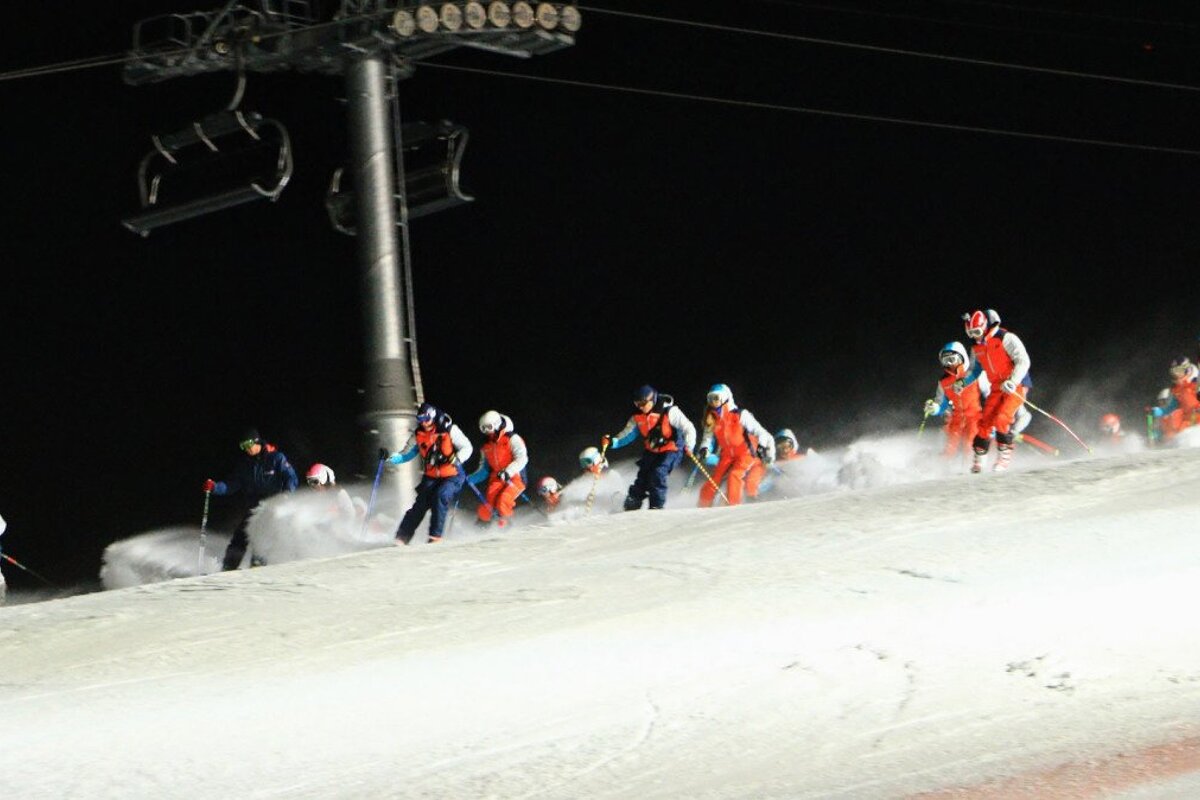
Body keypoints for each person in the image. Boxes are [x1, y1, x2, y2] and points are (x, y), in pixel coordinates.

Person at [204, 428, 299, 570]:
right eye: (243, 446)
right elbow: (232, 484)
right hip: (254, 507)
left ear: (257, 441)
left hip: (273, 506)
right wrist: (215, 487)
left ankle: (258, 564)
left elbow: (291, 477)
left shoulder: (276, 458)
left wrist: (286, 493)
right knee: (241, 535)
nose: (246, 449)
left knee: (262, 533)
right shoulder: (245, 465)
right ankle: (229, 566)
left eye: (248, 444)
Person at [387, 401, 473, 544]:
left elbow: (467, 447)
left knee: (441, 495)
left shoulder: (449, 429)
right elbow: (407, 454)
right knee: (420, 504)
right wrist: (391, 459)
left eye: (426, 419)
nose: (424, 423)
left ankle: (435, 536)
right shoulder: (419, 434)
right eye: (421, 420)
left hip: (452, 474)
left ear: (432, 417)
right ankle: (403, 536)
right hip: (432, 475)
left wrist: (457, 459)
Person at [961, 309, 1032, 473]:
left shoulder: (1006, 338)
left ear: (985, 327)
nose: (975, 337)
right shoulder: (976, 347)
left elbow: (1023, 360)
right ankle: (979, 460)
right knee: (985, 422)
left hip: (1016, 384)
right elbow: (974, 370)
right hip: (996, 387)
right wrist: (963, 382)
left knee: (1002, 419)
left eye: (977, 332)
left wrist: (1013, 381)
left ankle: (1003, 459)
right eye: (970, 333)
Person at [603, 384, 696, 511]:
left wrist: (689, 445)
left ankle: (656, 506)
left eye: (643, 403)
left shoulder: (669, 411)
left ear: (652, 399)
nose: (640, 407)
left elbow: (688, 428)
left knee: (658, 473)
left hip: (672, 449)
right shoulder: (637, 417)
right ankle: (633, 501)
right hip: (652, 450)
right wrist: (612, 442)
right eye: (637, 404)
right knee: (644, 475)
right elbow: (627, 435)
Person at [695, 383, 775, 507]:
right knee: (713, 480)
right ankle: (702, 506)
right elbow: (708, 438)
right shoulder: (711, 418)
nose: (713, 402)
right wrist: (704, 448)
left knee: (734, 476)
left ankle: (733, 507)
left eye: (716, 398)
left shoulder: (740, 414)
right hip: (727, 456)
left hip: (746, 454)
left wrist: (762, 446)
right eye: (710, 399)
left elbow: (761, 432)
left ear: (725, 397)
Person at [466, 410, 529, 529]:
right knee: (488, 504)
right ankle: (481, 527)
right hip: (497, 478)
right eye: (483, 429)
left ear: (497, 424)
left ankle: (506, 527)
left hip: (515, 477)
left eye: (489, 427)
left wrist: (508, 472)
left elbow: (522, 458)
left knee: (503, 500)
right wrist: (470, 479)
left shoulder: (512, 439)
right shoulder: (486, 446)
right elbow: (484, 469)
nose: (487, 432)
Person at [924, 340, 986, 458]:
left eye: (952, 359)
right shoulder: (944, 382)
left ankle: (973, 469)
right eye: (946, 361)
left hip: (974, 416)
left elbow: (988, 394)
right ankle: (944, 469)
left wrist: (989, 417)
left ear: (962, 357)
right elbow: (942, 403)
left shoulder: (973, 375)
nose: (950, 364)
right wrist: (934, 408)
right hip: (957, 419)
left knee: (970, 444)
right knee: (950, 446)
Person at [1151, 357, 1200, 441]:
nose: (1177, 376)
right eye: (1174, 373)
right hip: (1189, 421)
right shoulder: (1177, 390)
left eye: (1179, 372)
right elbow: (1170, 407)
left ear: (1188, 371)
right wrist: (1158, 411)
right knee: (1173, 419)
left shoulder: (1196, 383)